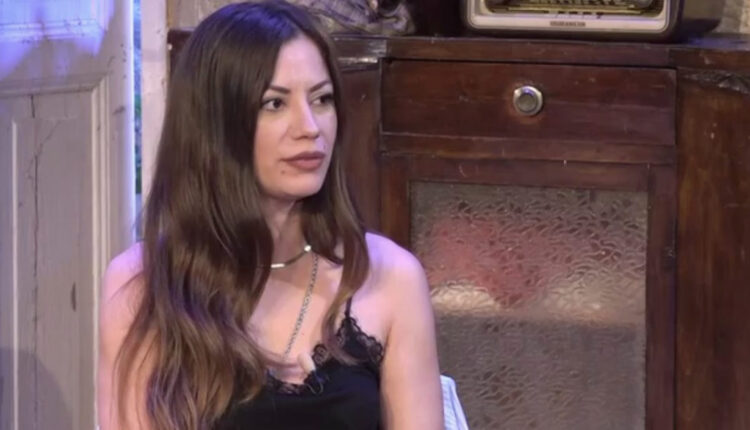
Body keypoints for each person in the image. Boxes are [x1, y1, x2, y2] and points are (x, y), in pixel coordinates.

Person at [96, 1, 443, 429]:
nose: (310, 127)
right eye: (275, 104)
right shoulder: (140, 285)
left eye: (322, 99)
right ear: (215, 124)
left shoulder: (392, 278)